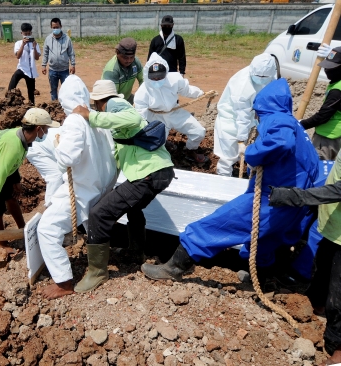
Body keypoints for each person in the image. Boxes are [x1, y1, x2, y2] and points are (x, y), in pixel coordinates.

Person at [141, 78, 320, 283]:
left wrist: (252, 152)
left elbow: (281, 142)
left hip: (273, 198)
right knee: (268, 240)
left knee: (218, 224)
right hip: (294, 200)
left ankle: (174, 267)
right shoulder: (297, 128)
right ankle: (264, 279)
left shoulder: (277, 119)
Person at [71, 80, 175, 293]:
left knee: (99, 214)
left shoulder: (115, 106)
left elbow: (133, 117)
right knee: (133, 207)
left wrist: (90, 116)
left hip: (149, 174)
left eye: (96, 105)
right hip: (160, 172)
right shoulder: (118, 114)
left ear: (100, 102)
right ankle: (136, 252)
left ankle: (97, 272)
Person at [28, 76, 117, 299]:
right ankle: (102, 255)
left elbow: (67, 157)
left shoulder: (75, 120)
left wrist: (59, 146)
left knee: (47, 229)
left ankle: (64, 282)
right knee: (86, 222)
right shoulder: (96, 119)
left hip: (81, 192)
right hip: (100, 188)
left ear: (64, 100)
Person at [269, 152, 341, 366]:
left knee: (339, 296)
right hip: (333, 226)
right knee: (322, 272)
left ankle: (338, 351)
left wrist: (295, 197)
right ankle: (315, 310)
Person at [0, 108, 60, 254]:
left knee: (11, 197)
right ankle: (3, 244)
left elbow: (12, 162)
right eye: (45, 129)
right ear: (38, 128)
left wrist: (15, 180)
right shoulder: (14, 145)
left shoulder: (23, 137)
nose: (46, 133)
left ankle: (23, 229)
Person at [134, 53, 208, 163]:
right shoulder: (143, 92)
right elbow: (140, 115)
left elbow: (186, 90)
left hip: (175, 112)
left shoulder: (174, 79)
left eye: (160, 76)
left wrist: (201, 94)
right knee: (156, 147)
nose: (157, 79)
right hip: (156, 118)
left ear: (166, 73)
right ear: (147, 75)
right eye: (154, 77)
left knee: (199, 132)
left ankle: (189, 150)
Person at [214, 53, 277, 176]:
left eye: (265, 77)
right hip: (230, 120)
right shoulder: (242, 86)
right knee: (227, 157)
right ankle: (223, 181)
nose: (262, 79)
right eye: (259, 76)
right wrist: (241, 140)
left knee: (241, 154)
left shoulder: (270, 76)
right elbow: (242, 115)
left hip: (249, 119)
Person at [299, 46, 341, 161]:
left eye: (332, 68)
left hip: (329, 138)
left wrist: (302, 124)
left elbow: (323, 116)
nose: (327, 70)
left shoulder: (337, 90)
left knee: (320, 169)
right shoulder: (337, 83)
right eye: (326, 67)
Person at [41, 18, 76, 101]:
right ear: (51, 27)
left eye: (57, 27)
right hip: (52, 70)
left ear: (61, 26)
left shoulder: (67, 39)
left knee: (66, 89)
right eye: (54, 27)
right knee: (53, 90)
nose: (55, 29)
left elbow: (71, 53)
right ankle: (55, 106)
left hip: (64, 70)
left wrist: (73, 65)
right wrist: (43, 65)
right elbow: (45, 53)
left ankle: (65, 105)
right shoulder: (48, 39)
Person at [101, 38, 143, 104]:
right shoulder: (112, 71)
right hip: (110, 101)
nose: (129, 61)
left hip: (126, 98)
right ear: (117, 53)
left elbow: (143, 80)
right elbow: (112, 97)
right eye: (125, 58)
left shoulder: (136, 62)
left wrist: (143, 96)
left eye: (132, 57)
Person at [8, 23, 41, 105]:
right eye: (25, 34)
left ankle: (31, 106)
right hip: (21, 68)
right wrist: (23, 45)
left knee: (31, 92)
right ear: (21, 33)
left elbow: (37, 58)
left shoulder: (35, 44)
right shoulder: (18, 43)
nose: (27, 36)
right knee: (11, 86)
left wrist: (34, 47)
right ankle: (9, 102)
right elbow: (18, 56)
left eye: (29, 34)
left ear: (31, 33)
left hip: (31, 71)